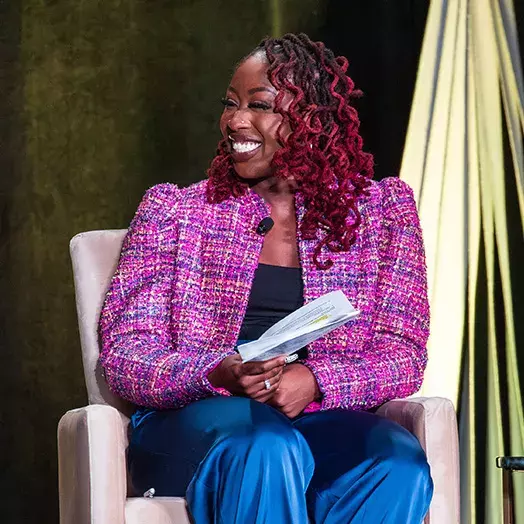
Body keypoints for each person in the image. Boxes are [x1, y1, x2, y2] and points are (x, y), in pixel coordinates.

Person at [99, 33, 433, 523]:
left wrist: (317, 380)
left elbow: (403, 353)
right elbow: (126, 356)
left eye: (259, 106)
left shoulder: (381, 214)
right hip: (198, 425)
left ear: (312, 120)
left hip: (313, 417)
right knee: (265, 446)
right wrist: (217, 372)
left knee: (395, 462)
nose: (235, 121)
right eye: (230, 104)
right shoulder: (175, 212)